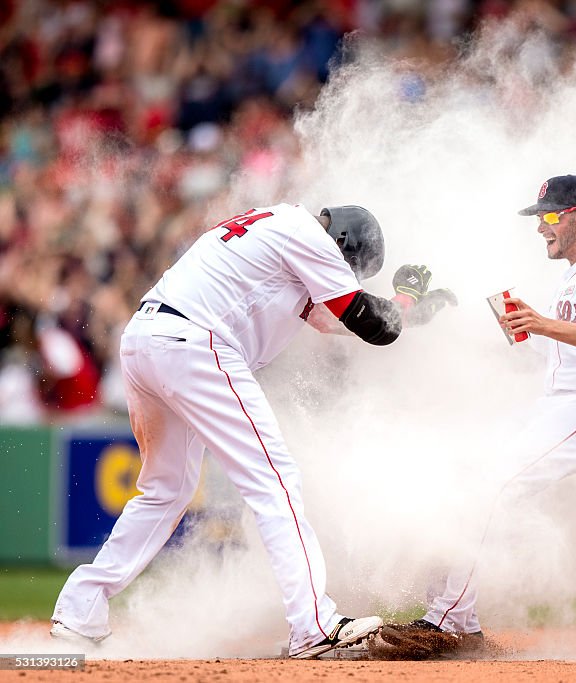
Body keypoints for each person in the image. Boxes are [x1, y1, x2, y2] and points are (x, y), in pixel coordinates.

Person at [50, 203, 455, 659]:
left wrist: (409, 311)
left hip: (146, 338)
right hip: (197, 344)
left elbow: (338, 320)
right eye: (349, 267)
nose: (344, 275)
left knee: (166, 490)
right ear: (341, 242)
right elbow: (370, 323)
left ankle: (79, 610)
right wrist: (402, 301)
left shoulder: (281, 225)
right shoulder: (311, 237)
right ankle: (314, 625)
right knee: (276, 481)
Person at [379, 174, 576, 656]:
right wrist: (525, 332)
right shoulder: (571, 274)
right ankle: (458, 619)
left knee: (491, 484)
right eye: (538, 218)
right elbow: (567, 350)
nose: (541, 227)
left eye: (549, 216)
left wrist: (544, 323)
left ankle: (446, 623)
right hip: (562, 400)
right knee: (463, 476)